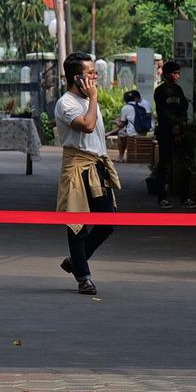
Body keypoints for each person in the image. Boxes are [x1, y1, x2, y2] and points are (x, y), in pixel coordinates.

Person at [55, 53, 119, 296]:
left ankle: (75, 261)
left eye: (95, 73)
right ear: (76, 78)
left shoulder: (90, 100)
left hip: (97, 165)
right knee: (77, 223)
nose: (95, 77)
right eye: (90, 73)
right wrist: (93, 98)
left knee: (108, 221)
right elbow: (87, 125)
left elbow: (95, 132)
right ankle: (83, 277)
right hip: (77, 167)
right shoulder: (66, 102)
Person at [154, 61, 196, 209]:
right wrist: (173, 127)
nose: (177, 76)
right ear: (166, 74)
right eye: (174, 73)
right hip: (166, 132)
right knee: (165, 165)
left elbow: (183, 110)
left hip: (180, 132)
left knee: (185, 163)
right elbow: (162, 112)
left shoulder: (178, 90)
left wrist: (180, 127)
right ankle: (162, 198)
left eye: (178, 73)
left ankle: (185, 198)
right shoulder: (160, 91)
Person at [112, 91, 152, 163]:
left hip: (133, 133)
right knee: (124, 131)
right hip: (143, 131)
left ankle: (121, 156)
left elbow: (122, 124)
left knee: (121, 134)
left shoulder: (126, 107)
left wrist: (116, 122)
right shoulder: (141, 106)